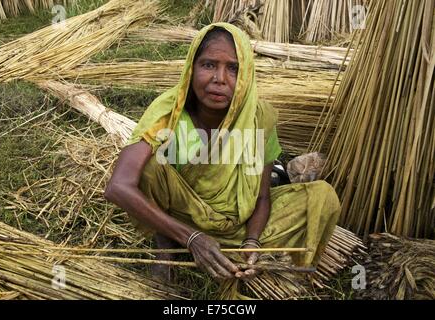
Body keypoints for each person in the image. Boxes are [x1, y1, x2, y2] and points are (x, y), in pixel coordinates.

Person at [104, 23, 341, 282]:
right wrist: (192, 238)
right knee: (150, 168)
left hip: (238, 224)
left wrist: (252, 242)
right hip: (179, 216)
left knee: (322, 196)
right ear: (191, 69)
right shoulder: (169, 112)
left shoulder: (259, 117)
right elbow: (119, 186)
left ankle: (242, 254)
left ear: (246, 74)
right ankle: (167, 247)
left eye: (233, 68)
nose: (220, 79)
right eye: (208, 65)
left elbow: (262, 197)